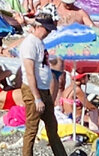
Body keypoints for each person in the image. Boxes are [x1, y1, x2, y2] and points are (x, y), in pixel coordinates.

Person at [19, 13, 69, 156]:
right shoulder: (29, 43)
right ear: (38, 26)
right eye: (47, 29)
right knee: (32, 128)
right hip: (33, 90)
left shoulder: (40, 43)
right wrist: (37, 98)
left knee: (52, 127)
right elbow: (29, 73)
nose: (48, 33)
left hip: (44, 90)